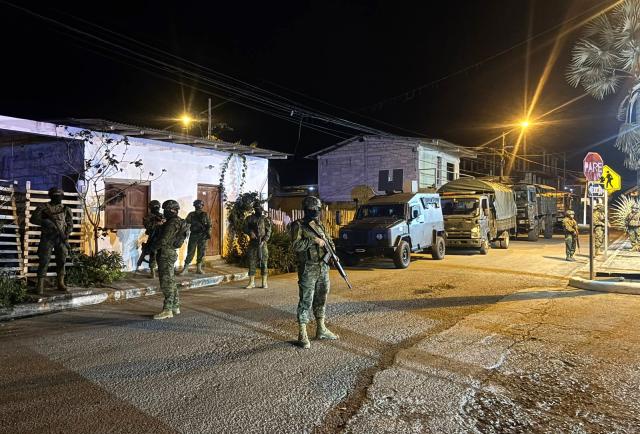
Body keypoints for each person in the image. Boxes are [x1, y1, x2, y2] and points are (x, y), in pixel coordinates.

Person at [290, 196, 338, 349]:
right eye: (313, 209)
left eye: (318, 209)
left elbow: (329, 241)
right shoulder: (298, 225)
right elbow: (295, 245)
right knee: (306, 300)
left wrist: (333, 254)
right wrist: (313, 241)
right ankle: (302, 333)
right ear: (306, 209)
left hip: (323, 267)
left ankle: (321, 329)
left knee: (321, 297)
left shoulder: (319, 224)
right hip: (308, 268)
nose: (316, 212)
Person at [30, 187, 73, 294]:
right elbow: (33, 219)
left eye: (60, 196)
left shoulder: (66, 209)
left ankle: (60, 282)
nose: (58, 198)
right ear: (51, 196)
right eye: (56, 196)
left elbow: (70, 224)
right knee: (44, 260)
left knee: (62, 260)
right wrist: (45, 222)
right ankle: (40, 285)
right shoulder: (43, 207)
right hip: (47, 237)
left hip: (61, 238)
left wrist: (66, 235)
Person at [153, 200, 187, 320]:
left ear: (172, 210)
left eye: (166, 210)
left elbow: (163, 240)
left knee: (166, 282)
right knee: (171, 280)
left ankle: (167, 310)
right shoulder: (178, 221)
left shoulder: (172, 223)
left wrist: (152, 248)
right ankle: (175, 306)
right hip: (170, 253)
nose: (164, 212)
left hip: (165, 254)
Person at [243, 201, 272, 289]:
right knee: (251, 262)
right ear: (254, 209)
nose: (258, 210)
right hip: (253, 243)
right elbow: (244, 228)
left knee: (264, 262)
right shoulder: (249, 218)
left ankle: (264, 282)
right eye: (257, 209)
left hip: (262, 243)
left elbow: (269, 231)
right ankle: (251, 282)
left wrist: (264, 240)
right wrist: (250, 232)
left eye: (259, 209)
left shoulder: (265, 219)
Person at [180, 199, 211, 275]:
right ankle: (186, 268)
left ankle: (199, 268)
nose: (198, 206)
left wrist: (208, 233)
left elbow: (209, 225)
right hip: (194, 235)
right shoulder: (191, 214)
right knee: (190, 251)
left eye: (199, 205)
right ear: (194, 206)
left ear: (202, 206)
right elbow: (186, 223)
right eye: (197, 205)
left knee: (201, 252)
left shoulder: (205, 214)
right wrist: (185, 231)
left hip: (202, 235)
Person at [136, 200, 165, 278]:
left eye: (157, 207)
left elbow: (166, 225)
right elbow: (148, 227)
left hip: (162, 237)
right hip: (153, 238)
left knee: (161, 254)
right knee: (153, 254)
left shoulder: (162, 216)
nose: (156, 208)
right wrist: (157, 223)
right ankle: (153, 272)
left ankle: (159, 271)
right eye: (155, 207)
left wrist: (162, 222)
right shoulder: (148, 217)